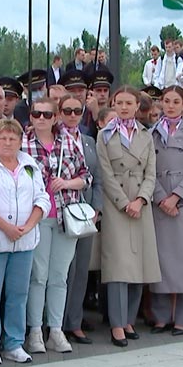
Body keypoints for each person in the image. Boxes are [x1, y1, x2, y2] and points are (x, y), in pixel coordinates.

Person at [0, 120, 50, 364]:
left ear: (20, 141)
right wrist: (6, 227)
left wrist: (28, 226)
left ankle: (14, 343)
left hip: (24, 244)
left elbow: (43, 198)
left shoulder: (30, 166)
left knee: (18, 294)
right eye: (3, 138)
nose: (7, 143)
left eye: (12, 139)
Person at [21, 98, 90, 354]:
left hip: (65, 216)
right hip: (36, 217)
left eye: (47, 114)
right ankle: (36, 330)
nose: (41, 118)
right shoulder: (23, 143)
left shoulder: (70, 142)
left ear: (55, 117)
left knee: (59, 277)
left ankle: (56, 329)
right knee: (38, 276)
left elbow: (86, 176)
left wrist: (67, 183)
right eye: (36, 114)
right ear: (31, 116)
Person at [96, 87, 161, 346]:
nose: (123, 107)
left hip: (141, 205)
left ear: (137, 106)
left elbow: (151, 173)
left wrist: (142, 199)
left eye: (128, 103)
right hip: (116, 206)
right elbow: (105, 174)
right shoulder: (104, 135)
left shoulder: (146, 135)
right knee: (118, 267)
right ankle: (117, 323)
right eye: (119, 102)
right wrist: (125, 203)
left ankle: (130, 319)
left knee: (140, 264)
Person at [148, 87, 183, 336]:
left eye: (176, 102)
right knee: (161, 261)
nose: (170, 106)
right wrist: (162, 198)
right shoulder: (151, 134)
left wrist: (176, 197)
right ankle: (161, 317)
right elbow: (147, 169)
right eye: (166, 101)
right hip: (158, 201)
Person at [60, 95, 103, 345]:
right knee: (61, 271)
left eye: (77, 110)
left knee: (80, 272)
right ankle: (55, 322)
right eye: (67, 110)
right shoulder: (54, 139)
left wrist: (96, 209)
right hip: (59, 213)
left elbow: (98, 178)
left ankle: (74, 323)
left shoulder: (88, 142)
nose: (73, 114)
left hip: (85, 215)